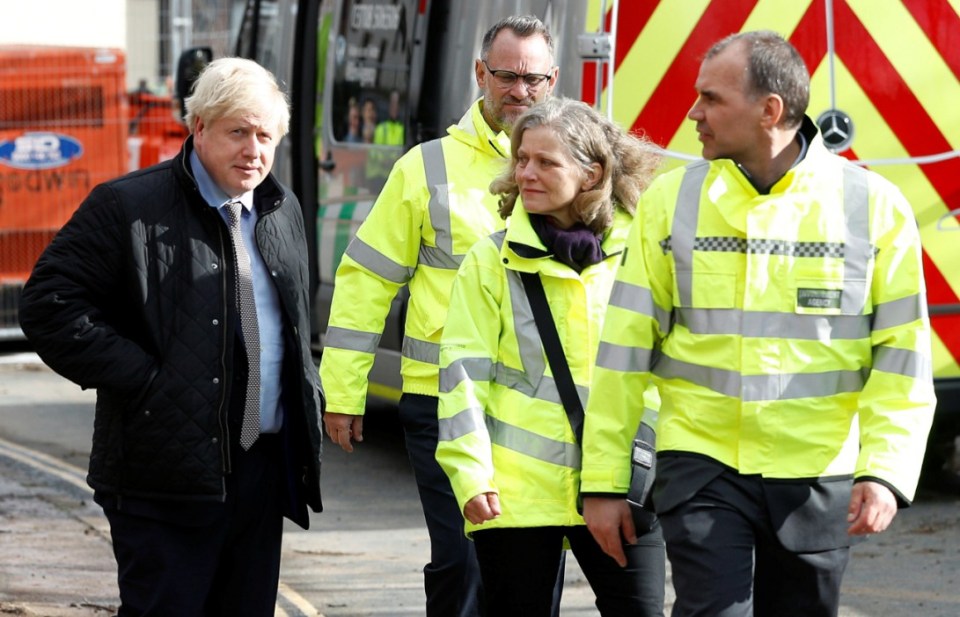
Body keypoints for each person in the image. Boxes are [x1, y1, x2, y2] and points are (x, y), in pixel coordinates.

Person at [578, 30, 936, 617]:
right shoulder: (671, 202)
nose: (693, 112)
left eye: (712, 99)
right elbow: (623, 351)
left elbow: (902, 355)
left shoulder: (873, 207)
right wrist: (604, 481)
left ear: (770, 110)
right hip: (702, 465)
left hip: (818, 471)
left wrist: (886, 470)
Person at [19, 57, 324, 616]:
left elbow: (293, 327)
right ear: (199, 127)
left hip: (261, 468)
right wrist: (145, 380)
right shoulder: (129, 206)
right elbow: (48, 304)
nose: (253, 151)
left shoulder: (282, 210)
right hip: (163, 474)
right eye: (237, 132)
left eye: (265, 136)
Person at [318, 15, 558, 617]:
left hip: (543, 409)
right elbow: (367, 280)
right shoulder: (426, 168)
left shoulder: (573, 166)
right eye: (506, 75)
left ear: (552, 81)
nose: (520, 91)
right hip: (444, 400)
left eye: (533, 79)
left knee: (532, 574)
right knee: (462, 563)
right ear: (480, 73)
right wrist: (344, 392)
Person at [436, 97, 665, 617]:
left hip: (620, 484)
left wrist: (658, 462)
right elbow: (462, 373)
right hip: (517, 496)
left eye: (545, 162)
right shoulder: (490, 259)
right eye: (522, 159)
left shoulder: (643, 254)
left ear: (592, 174)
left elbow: (662, 368)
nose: (526, 173)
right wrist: (470, 474)